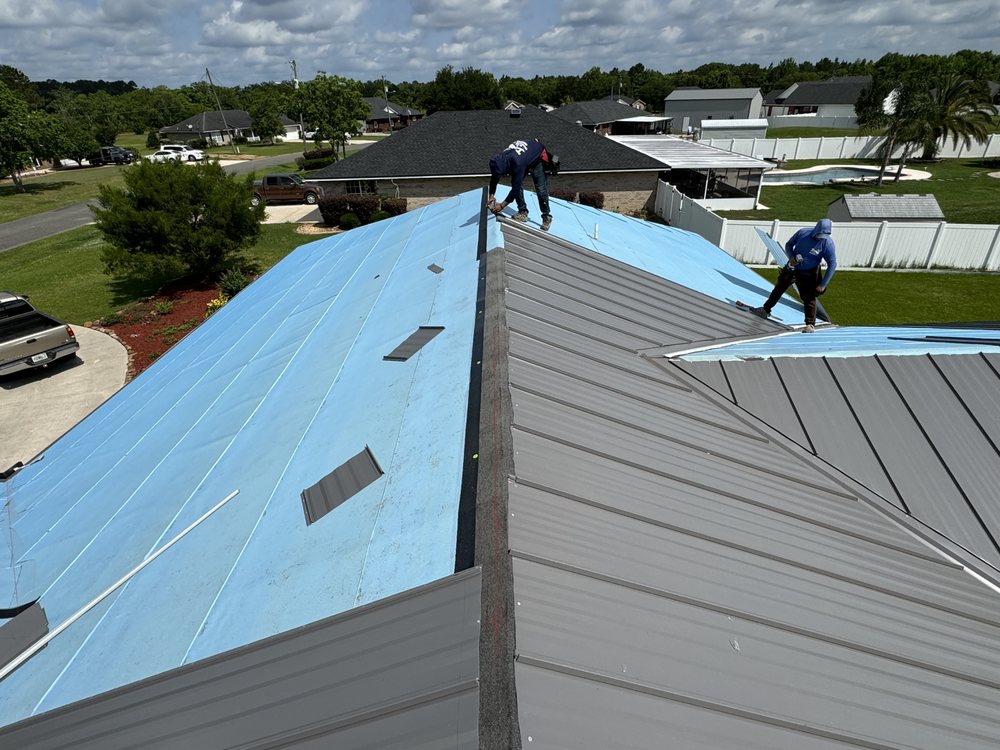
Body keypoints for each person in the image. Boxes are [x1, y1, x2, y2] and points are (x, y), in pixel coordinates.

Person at [752, 218, 837, 333]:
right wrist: (791, 257)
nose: (821, 237)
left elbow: (832, 264)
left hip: (809, 272)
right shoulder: (803, 233)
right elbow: (789, 244)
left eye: (824, 235)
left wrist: (823, 284)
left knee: (809, 297)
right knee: (779, 288)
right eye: (820, 235)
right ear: (816, 230)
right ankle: (765, 310)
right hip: (792, 267)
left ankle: (810, 325)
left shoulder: (827, 244)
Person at [487, 139, 553, 231]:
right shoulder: (499, 160)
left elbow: (515, 189)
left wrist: (501, 206)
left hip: (537, 157)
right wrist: (491, 196)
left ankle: (546, 216)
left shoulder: (517, 163)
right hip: (525, 157)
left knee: (540, 189)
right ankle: (523, 212)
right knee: (515, 182)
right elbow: (494, 179)